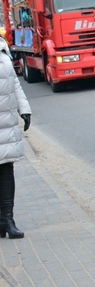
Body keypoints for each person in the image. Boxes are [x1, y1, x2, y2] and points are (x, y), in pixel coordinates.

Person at [0, 36, 32, 239]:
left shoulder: (2, 47)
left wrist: (24, 108)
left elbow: (15, 83)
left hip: (6, 122)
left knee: (5, 170)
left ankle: (7, 221)